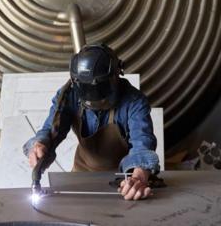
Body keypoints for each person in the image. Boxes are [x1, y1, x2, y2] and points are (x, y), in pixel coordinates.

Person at [23, 43, 159, 200]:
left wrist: (139, 176)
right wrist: (40, 145)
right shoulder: (69, 95)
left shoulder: (134, 101)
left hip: (123, 179)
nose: (93, 98)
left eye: (100, 90)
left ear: (116, 76)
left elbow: (142, 144)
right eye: (86, 91)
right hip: (82, 173)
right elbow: (51, 129)